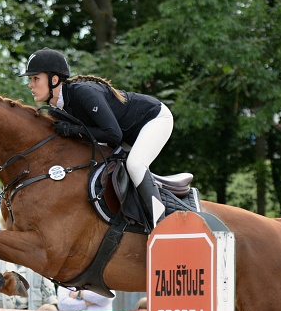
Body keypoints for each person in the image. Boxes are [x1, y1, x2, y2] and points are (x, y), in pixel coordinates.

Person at [21, 47, 174, 230]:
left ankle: (162, 226)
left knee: (134, 164)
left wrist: (74, 130)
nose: (31, 84)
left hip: (153, 119)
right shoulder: (57, 109)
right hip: (125, 134)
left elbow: (113, 134)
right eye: (31, 79)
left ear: (54, 80)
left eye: (35, 78)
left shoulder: (83, 92)